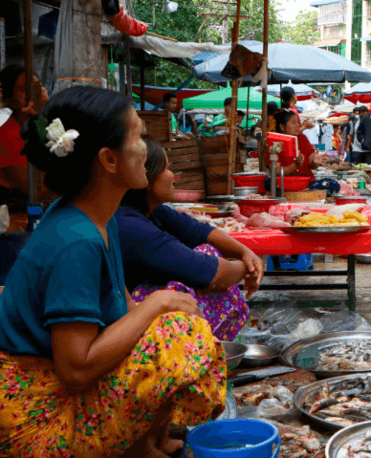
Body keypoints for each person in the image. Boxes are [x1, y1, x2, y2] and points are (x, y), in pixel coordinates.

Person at [0, 86, 224, 455]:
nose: (145, 148)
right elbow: (75, 370)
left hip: (56, 390)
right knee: (178, 334)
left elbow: (121, 308)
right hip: (38, 419)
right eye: (137, 136)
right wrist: (157, 304)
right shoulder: (76, 240)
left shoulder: (98, 218)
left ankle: (143, 444)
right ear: (108, 159)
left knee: (170, 317)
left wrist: (158, 307)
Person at [116, 137, 264, 340]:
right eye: (167, 169)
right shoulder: (131, 225)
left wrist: (245, 252)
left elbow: (200, 231)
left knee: (208, 250)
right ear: (146, 177)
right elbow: (209, 273)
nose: (174, 176)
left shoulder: (154, 210)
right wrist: (247, 268)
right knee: (202, 265)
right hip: (127, 322)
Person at [0, 65, 51, 223]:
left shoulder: (43, 125)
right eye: (25, 89)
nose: (37, 92)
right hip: (18, 223)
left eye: (38, 86)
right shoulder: (7, 136)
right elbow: (38, 192)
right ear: (10, 101)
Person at [274, 109, 326, 176]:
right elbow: (276, 172)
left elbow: (311, 164)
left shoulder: (302, 138)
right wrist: (295, 165)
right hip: (286, 181)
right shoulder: (275, 142)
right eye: (293, 123)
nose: (298, 125)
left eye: (298, 123)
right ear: (282, 127)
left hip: (307, 180)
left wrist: (314, 162)